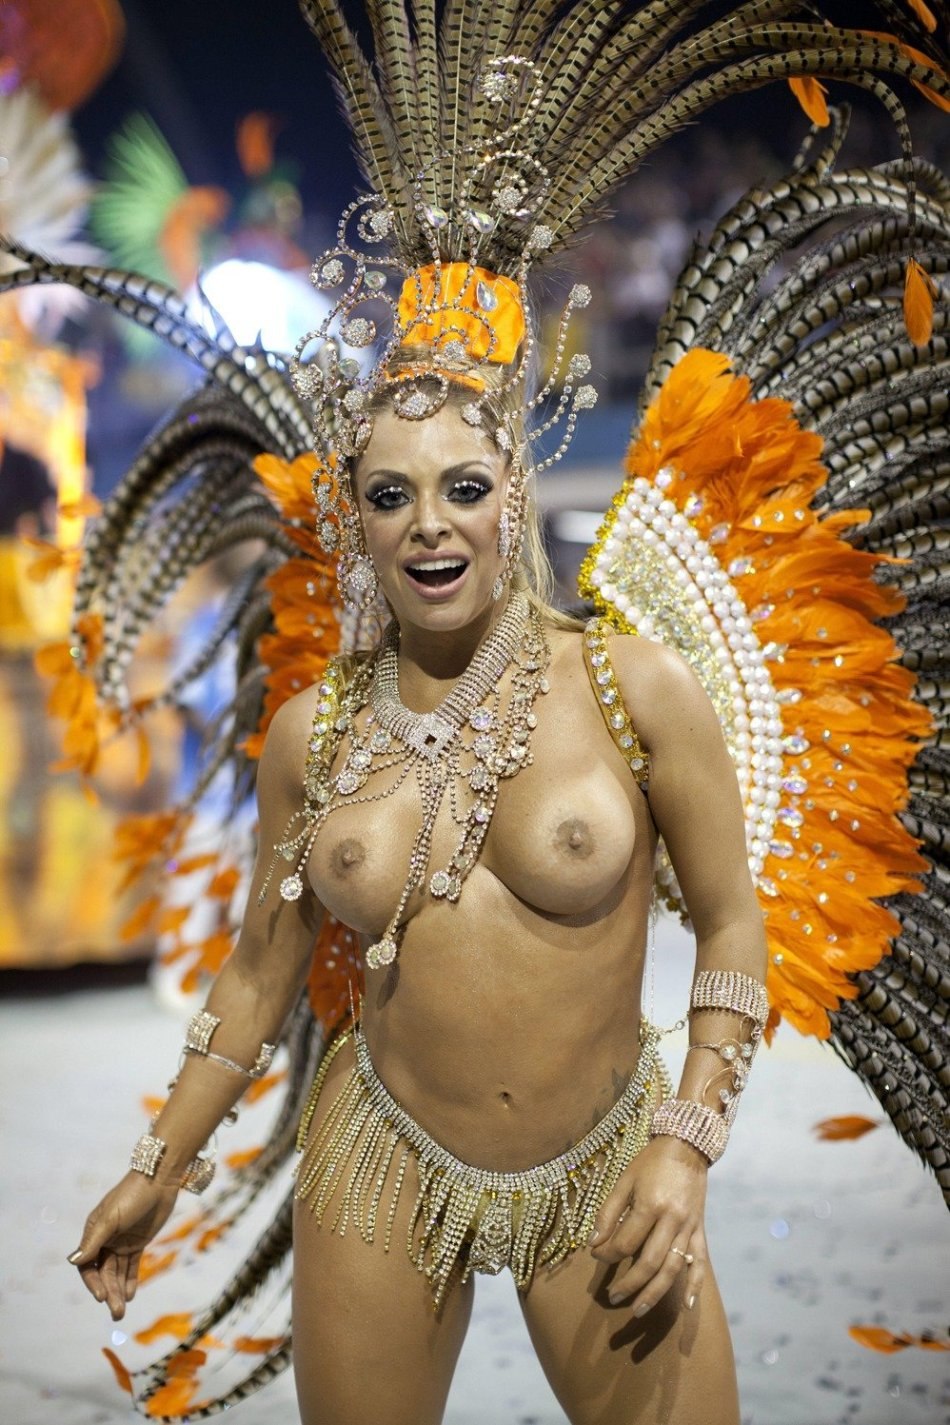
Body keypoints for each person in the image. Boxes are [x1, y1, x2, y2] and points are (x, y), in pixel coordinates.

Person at [8, 3, 940, 1423]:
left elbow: (732, 922)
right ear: (356, 523)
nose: (429, 524)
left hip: (607, 1168)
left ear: (512, 492)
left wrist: (686, 1142)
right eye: (390, 494)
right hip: (379, 1160)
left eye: (461, 487)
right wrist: (161, 1164)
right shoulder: (309, 732)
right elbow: (259, 982)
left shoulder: (635, 687)